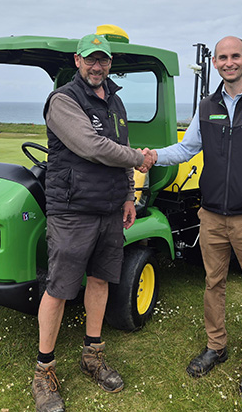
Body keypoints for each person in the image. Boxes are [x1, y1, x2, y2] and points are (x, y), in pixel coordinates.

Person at [141, 36, 242, 400]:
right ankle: (217, 346)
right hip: (211, 215)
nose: (229, 63)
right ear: (214, 62)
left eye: (235, 56)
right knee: (213, 285)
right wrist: (149, 156)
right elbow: (186, 148)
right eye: (222, 57)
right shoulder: (207, 104)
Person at [32, 33, 154, 412]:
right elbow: (92, 146)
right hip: (72, 210)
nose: (96, 66)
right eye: (90, 59)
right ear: (78, 60)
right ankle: (44, 371)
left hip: (108, 209)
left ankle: (92, 355)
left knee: (100, 279)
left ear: (110, 63)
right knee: (60, 288)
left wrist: (128, 196)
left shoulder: (115, 102)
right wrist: (138, 158)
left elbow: (116, 155)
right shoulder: (63, 101)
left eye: (103, 60)